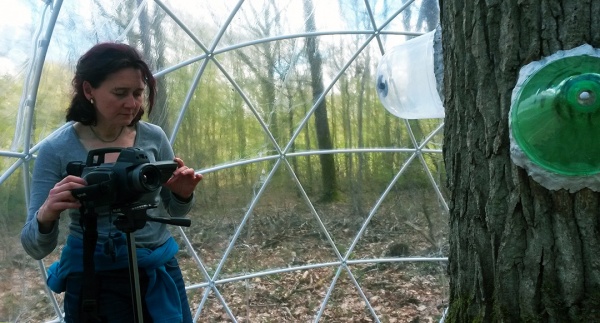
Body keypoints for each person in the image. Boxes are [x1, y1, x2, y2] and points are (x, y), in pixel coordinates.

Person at [20, 42, 203, 323]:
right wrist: (47, 214)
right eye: (120, 93)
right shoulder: (57, 149)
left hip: (159, 269)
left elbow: (175, 212)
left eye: (137, 93)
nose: (131, 103)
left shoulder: (154, 137)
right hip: (95, 279)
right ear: (88, 90)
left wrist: (181, 195)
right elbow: (35, 247)